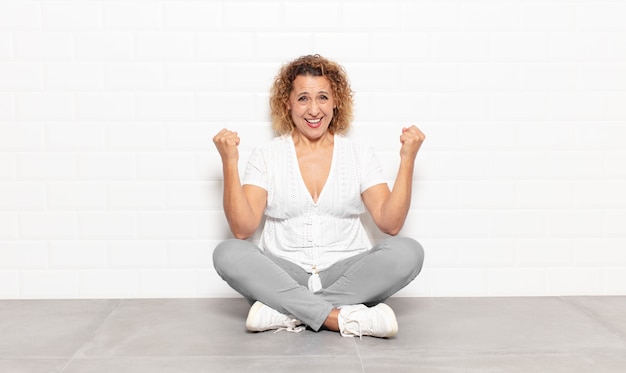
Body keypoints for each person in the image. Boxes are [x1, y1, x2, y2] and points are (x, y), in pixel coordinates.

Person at [212, 54, 425, 338]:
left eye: (322, 97)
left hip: (347, 274)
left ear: (336, 101)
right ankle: (343, 318)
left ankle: (286, 312)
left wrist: (407, 158)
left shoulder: (358, 155)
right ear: (287, 104)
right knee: (228, 253)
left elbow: (391, 224)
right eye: (302, 99)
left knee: (408, 252)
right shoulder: (267, 156)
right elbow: (242, 228)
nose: (313, 110)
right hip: (286, 274)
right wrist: (229, 161)